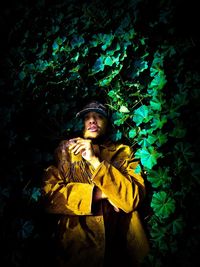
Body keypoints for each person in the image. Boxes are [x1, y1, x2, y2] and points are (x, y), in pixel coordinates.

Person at [42, 100, 149, 267]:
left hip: (120, 249)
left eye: (99, 116)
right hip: (76, 250)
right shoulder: (65, 152)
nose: (92, 120)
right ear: (81, 123)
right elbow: (50, 195)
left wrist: (95, 161)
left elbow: (132, 198)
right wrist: (103, 193)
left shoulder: (124, 153)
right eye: (87, 117)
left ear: (108, 123)